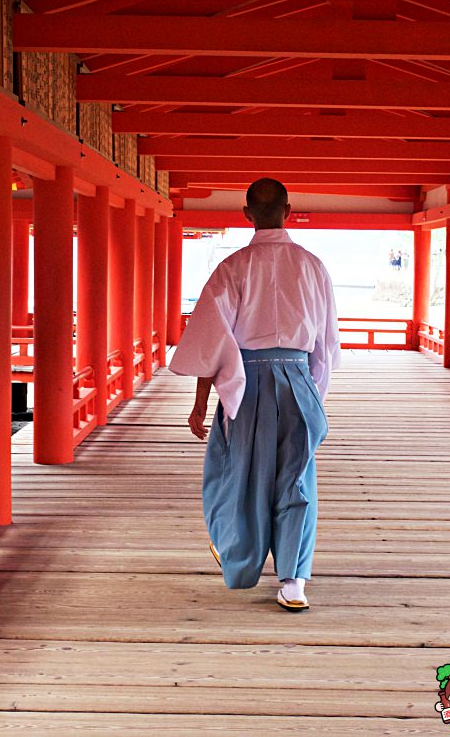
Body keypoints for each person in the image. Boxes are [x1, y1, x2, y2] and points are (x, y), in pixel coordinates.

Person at [168, 178, 341, 612]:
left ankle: (240, 561)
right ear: (288, 209)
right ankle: (294, 581)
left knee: (239, 475)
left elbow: (211, 338)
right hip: (299, 380)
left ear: (246, 214)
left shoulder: (232, 267)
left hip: (246, 382)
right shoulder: (313, 265)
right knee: (298, 478)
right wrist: (313, 395)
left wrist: (201, 401)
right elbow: (326, 343)